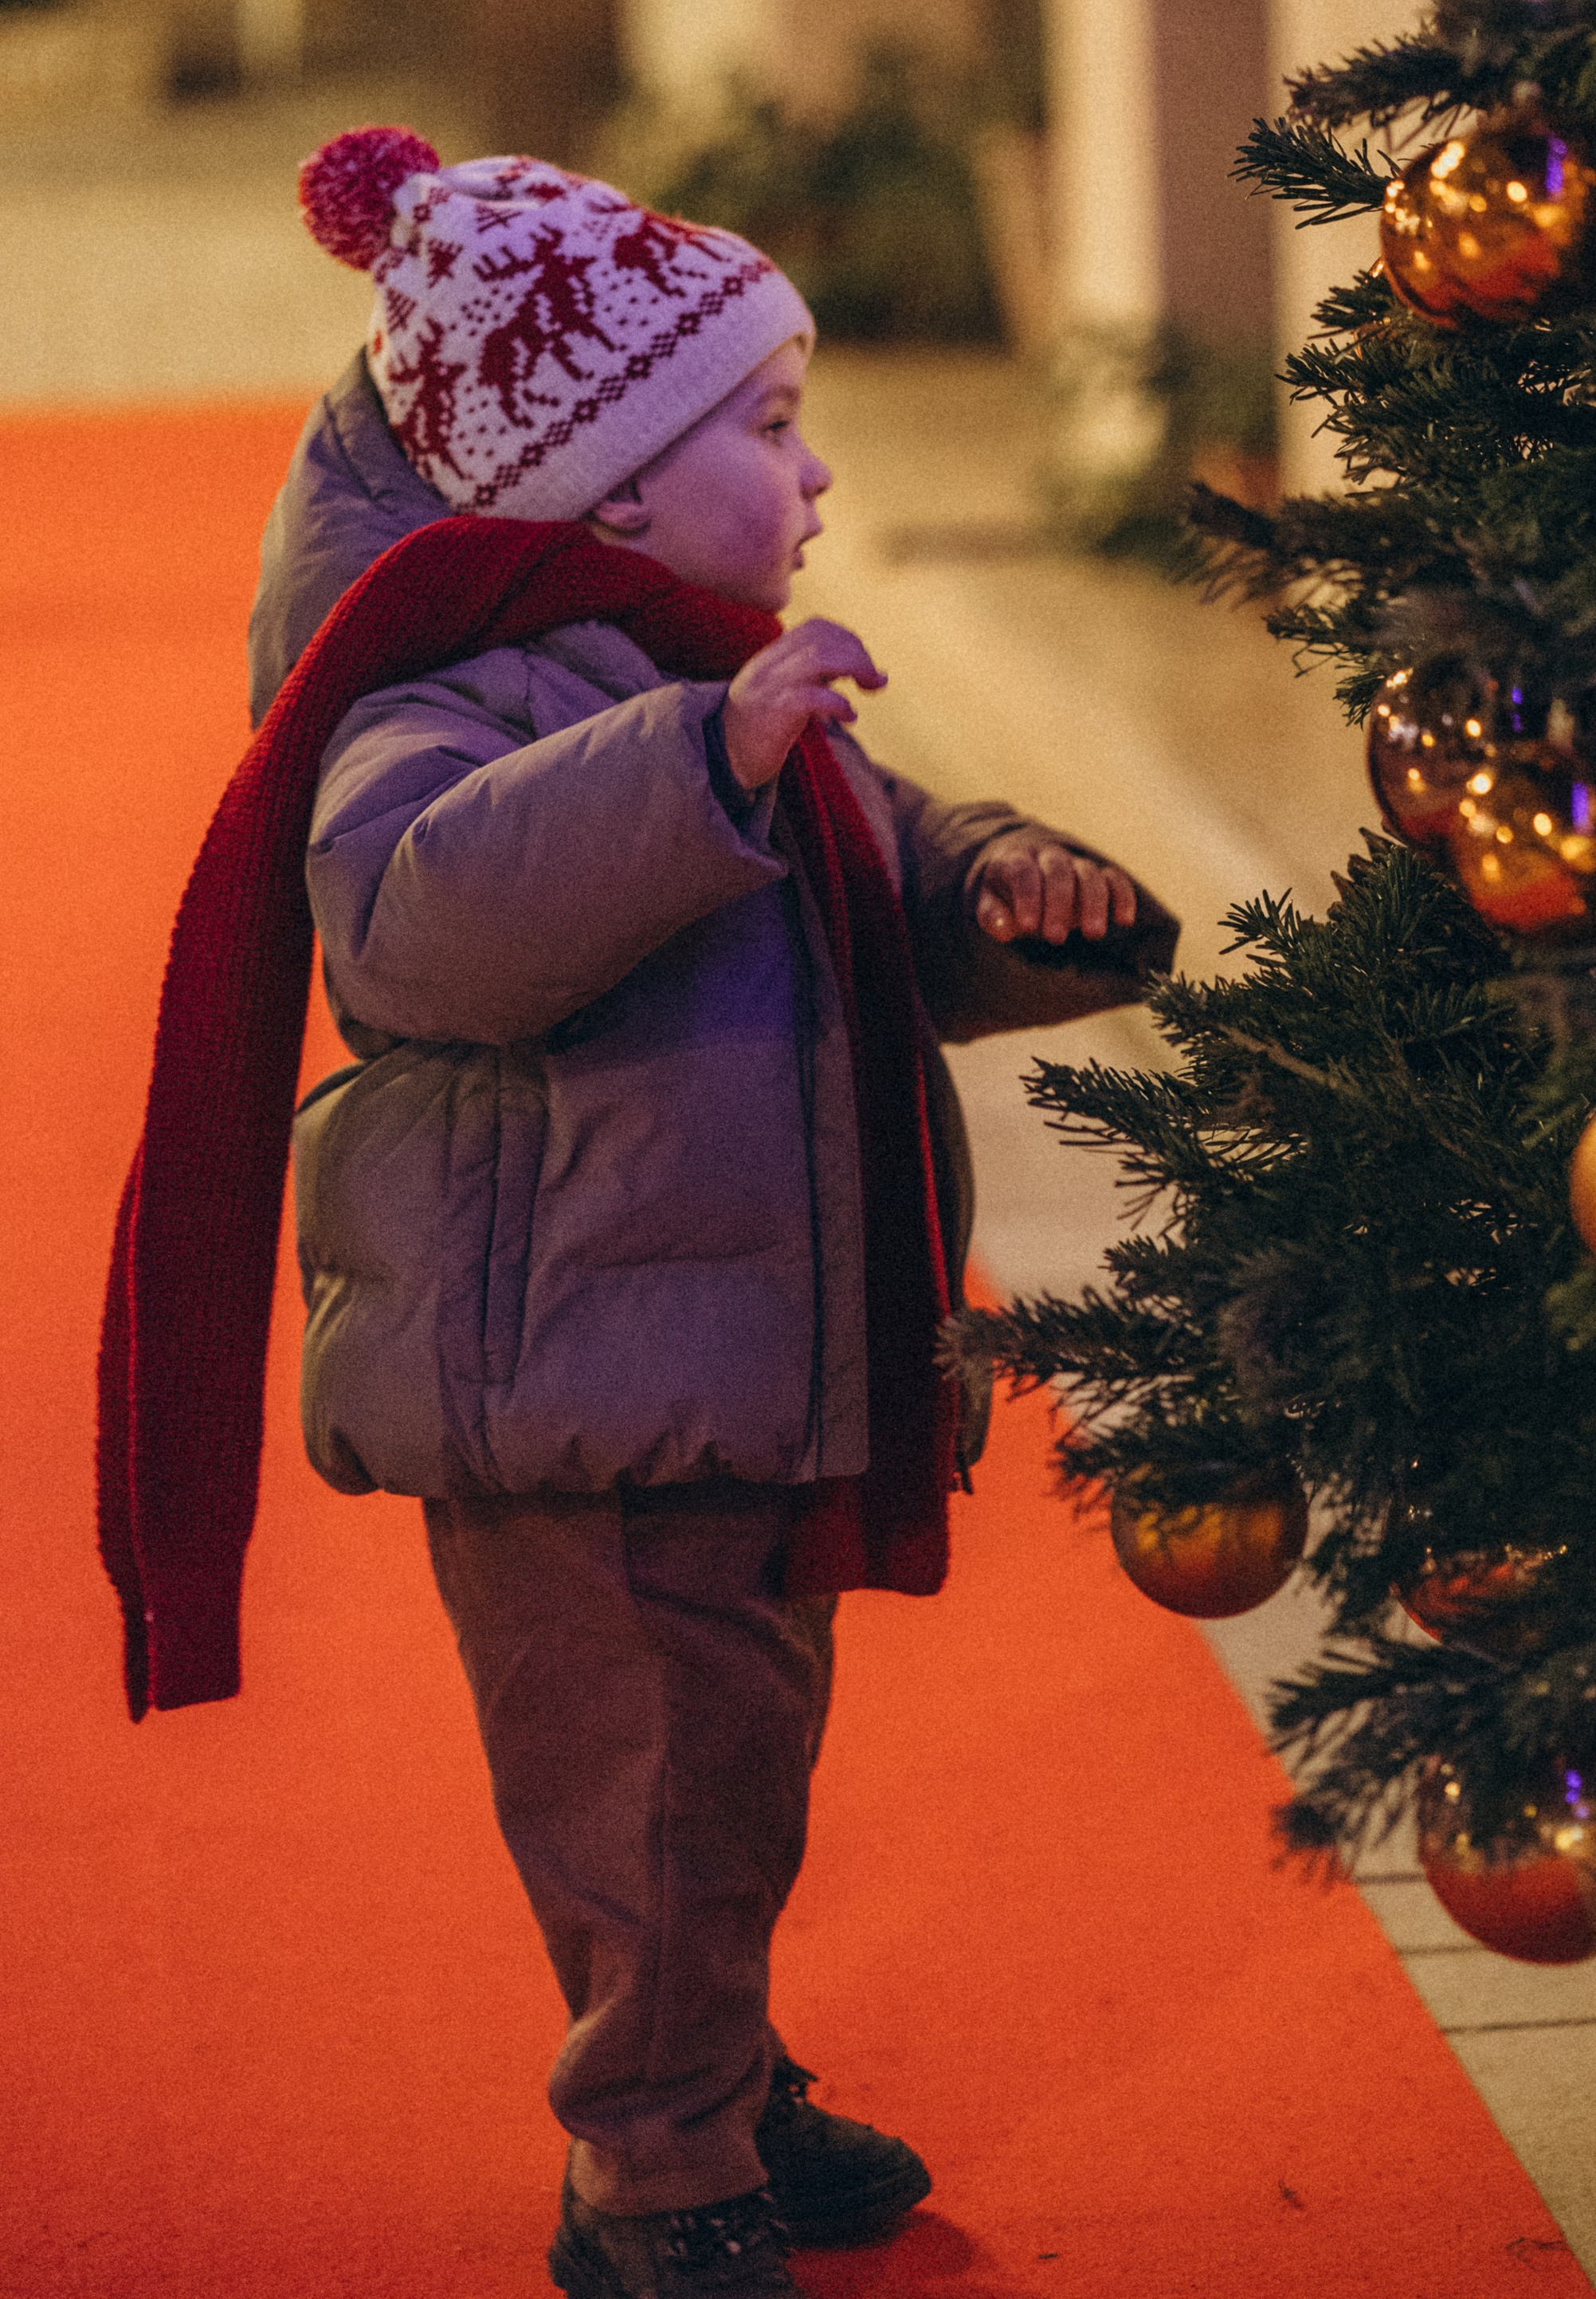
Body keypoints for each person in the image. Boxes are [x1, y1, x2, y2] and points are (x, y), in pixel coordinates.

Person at [249, 128, 1177, 2299]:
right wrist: (700, 764)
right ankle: (652, 2178)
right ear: (613, 486)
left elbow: (892, 866)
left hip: (726, 1355)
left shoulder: (693, 655)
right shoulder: (432, 690)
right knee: (639, 1808)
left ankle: (721, 2084)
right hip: (566, 1388)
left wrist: (1013, 893)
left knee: (726, 1784)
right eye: (772, 429)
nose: (823, 472)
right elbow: (412, 927)